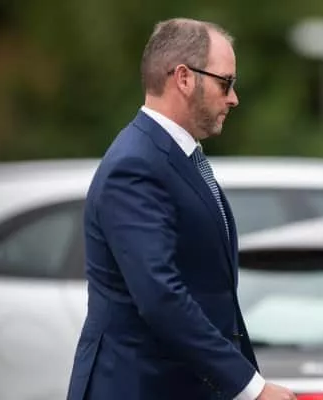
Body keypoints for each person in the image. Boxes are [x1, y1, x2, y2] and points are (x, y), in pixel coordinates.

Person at [65, 18, 296, 400]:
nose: (234, 98)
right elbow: (161, 296)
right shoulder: (135, 165)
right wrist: (251, 388)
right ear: (185, 78)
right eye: (225, 83)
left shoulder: (175, 156)